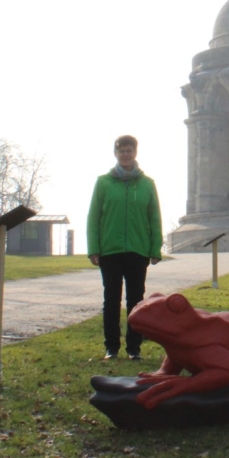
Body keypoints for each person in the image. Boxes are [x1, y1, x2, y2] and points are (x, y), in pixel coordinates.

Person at [87, 135, 163, 361]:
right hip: (110, 250)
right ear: (115, 153)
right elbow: (94, 218)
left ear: (135, 153)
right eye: (121, 151)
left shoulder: (147, 184)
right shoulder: (103, 183)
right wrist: (94, 248)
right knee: (111, 299)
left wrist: (155, 248)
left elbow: (154, 217)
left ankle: (134, 348)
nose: (125, 154)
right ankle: (111, 347)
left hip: (137, 250)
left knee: (136, 300)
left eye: (129, 150)